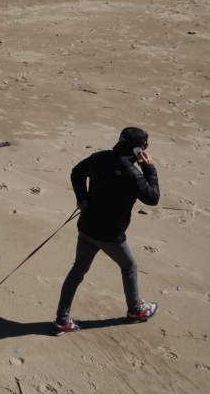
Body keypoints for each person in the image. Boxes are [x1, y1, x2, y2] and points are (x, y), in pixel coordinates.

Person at [55, 126, 160, 331]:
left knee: (78, 270)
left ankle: (62, 319)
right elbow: (153, 198)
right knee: (129, 266)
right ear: (139, 148)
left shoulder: (100, 157)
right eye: (145, 144)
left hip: (87, 227)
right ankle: (135, 310)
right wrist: (149, 168)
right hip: (111, 235)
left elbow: (77, 172)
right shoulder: (132, 174)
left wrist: (82, 198)